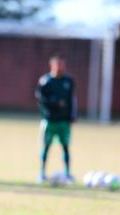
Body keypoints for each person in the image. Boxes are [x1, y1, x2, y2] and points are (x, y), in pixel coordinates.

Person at [35, 54, 76, 184]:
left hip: (64, 121)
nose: (60, 67)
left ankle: (68, 173)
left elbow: (72, 100)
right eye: (57, 64)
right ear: (51, 65)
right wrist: (55, 102)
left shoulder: (69, 81)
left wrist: (72, 115)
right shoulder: (45, 81)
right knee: (46, 147)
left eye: (62, 64)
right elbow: (40, 99)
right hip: (49, 120)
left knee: (65, 147)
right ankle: (41, 173)